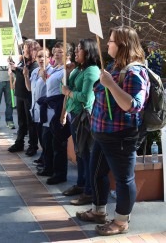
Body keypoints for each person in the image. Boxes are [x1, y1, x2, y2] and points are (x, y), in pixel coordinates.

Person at [76, 26, 150, 236]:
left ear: (123, 45)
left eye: (110, 41)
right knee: (96, 172)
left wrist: (110, 85)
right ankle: (99, 211)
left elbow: (133, 105)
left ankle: (121, 221)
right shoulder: (115, 66)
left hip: (120, 136)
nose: (107, 44)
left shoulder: (135, 71)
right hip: (103, 134)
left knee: (123, 179)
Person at [61, 39, 100, 205]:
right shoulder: (79, 68)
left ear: (88, 52)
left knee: (86, 154)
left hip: (83, 117)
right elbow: (69, 86)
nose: (75, 53)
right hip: (74, 115)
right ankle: (81, 184)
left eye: (79, 50)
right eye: (75, 50)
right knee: (79, 153)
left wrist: (69, 93)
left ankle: (89, 191)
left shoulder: (91, 70)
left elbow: (86, 96)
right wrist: (69, 74)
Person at [37, 42, 71, 185]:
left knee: (58, 144)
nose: (56, 54)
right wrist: (45, 78)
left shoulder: (67, 70)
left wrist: (63, 113)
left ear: (67, 55)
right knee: (49, 141)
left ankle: (59, 173)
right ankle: (49, 168)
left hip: (60, 110)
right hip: (51, 110)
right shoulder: (56, 69)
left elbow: (65, 92)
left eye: (60, 52)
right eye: (55, 51)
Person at [8, 39, 41, 155]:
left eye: (27, 47)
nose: (24, 49)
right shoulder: (23, 61)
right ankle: (19, 142)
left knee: (30, 121)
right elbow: (19, 72)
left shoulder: (35, 64)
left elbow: (30, 73)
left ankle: (33, 145)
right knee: (21, 121)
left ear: (33, 49)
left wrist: (16, 68)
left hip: (28, 96)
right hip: (20, 94)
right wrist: (13, 67)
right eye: (24, 47)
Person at [23, 47, 53, 166]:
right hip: (35, 110)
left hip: (46, 111)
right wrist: (26, 76)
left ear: (49, 58)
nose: (41, 59)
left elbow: (52, 89)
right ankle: (44, 157)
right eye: (39, 56)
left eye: (44, 56)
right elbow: (29, 88)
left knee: (46, 138)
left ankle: (47, 162)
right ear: (35, 58)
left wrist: (44, 78)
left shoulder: (51, 71)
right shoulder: (35, 71)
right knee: (41, 137)